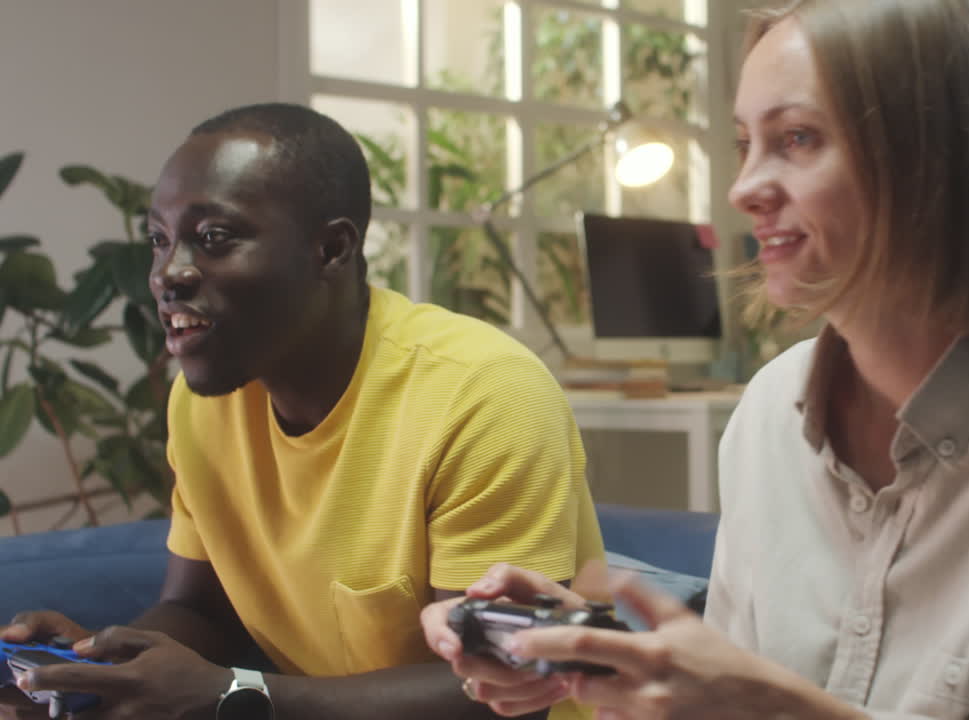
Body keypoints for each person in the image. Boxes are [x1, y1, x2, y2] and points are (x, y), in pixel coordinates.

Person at [421, 1, 969, 718]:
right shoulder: (767, 416)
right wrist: (610, 662)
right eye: (747, 142)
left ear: (935, 166)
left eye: (798, 138)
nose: (745, 186)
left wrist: (769, 708)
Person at [1, 103, 602, 720]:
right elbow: (202, 611)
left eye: (213, 238)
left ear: (331, 248)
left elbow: (500, 695)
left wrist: (233, 695)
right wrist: (100, 667)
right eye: (159, 239)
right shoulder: (201, 403)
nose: (167, 273)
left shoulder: (483, 392)